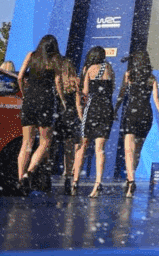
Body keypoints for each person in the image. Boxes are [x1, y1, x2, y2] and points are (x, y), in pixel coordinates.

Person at [16, 34, 66, 193]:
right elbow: (58, 82)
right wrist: (63, 100)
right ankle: (29, 172)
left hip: (29, 100)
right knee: (45, 142)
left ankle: (20, 179)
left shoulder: (31, 56)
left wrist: (24, 94)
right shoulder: (55, 60)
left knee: (26, 143)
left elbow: (20, 77)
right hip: (46, 101)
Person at [115, 51, 159, 197]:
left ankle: (131, 181)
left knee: (128, 150)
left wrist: (116, 109)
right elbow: (156, 98)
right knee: (137, 151)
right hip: (145, 114)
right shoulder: (151, 78)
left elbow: (122, 94)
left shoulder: (129, 75)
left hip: (132, 112)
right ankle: (130, 179)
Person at [72, 46, 115, 198]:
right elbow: (112, 88)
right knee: (100, 149)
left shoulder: (89, 69)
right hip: (106, 109)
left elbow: (85, 92)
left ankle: (75, 181)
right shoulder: (109, 68)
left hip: (93, 109)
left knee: (82, 146)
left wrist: (77, 89)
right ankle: (98, 183)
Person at [54, 57, 81, 195]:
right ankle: (68, 172)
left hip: (59, 114)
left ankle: (50, 172)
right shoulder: (75, 81)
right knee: (70, 147)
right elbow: (78, 102)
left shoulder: (58, 81)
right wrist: (81, 118)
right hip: (71, 115)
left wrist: (62, 101)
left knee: (55, 145)